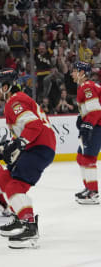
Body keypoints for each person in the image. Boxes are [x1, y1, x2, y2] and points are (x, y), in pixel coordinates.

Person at [0, 68, 56, 249]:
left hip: (39, 147)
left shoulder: (15, 101)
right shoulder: (15, 101)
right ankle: (19, 218)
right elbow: (22, 133)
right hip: (34, 146)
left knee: (15, 185)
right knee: (4, 178)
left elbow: (33, 126)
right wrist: (7, 147)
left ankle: (29, 226)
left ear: (6, 86)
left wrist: (18, 143)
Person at [71, 62, 101, 204]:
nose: (72, 73)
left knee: (88, 158)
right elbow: (89, 109)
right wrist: (81, 118)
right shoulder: (85, 86)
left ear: (82, 73)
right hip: (94, 125)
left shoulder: (88, 87)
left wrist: (88, 125)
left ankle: (93, 193)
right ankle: (88, 187)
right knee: (81, 157)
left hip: (97, 126)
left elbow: (95, 110)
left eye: (74, 71)